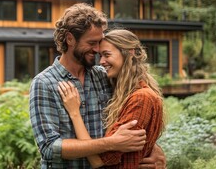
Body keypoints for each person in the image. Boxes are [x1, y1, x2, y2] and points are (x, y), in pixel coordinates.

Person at [29, 3, 165, 168]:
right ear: (70, 39)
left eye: (99, 42)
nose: (97, 48)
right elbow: (50, 147)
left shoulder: (103, 76)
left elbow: (131, 117)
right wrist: (112, 143)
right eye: (92, 42)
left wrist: (153, 149)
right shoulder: (45, 83)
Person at [58, 29, 165, 168]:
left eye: (107, 55)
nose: (101, 61)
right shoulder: (123, 91)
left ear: (129, 53)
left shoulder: (140, 98)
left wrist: (74, 113)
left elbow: (99, 161)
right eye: (100, 55)